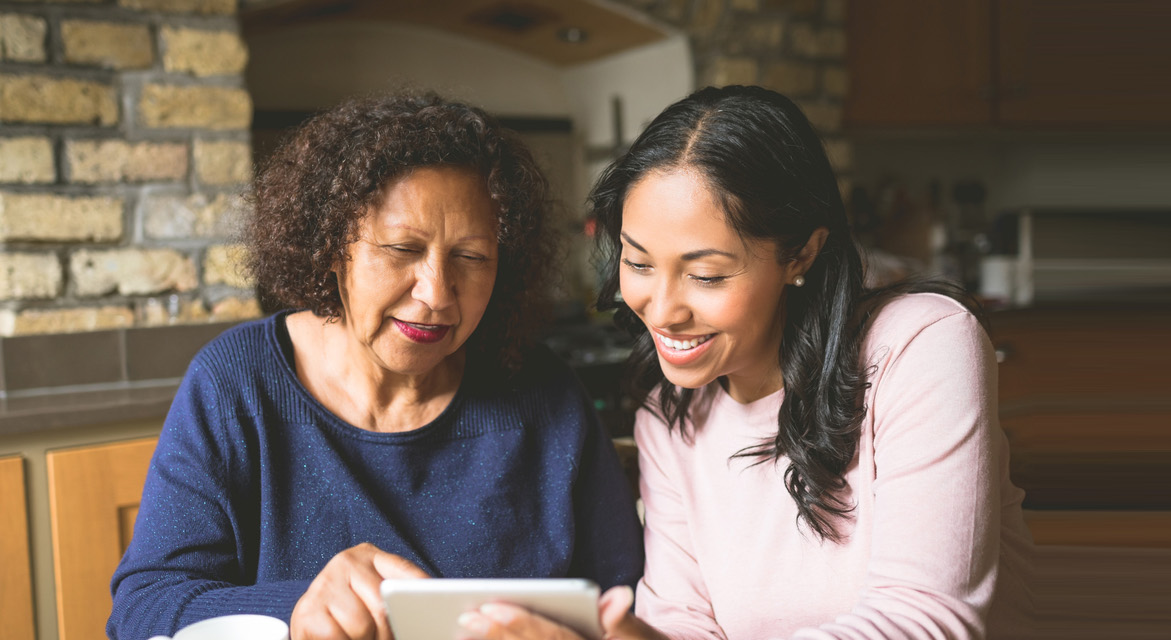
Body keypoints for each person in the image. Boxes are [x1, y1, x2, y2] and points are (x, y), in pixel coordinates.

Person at [462, 86, 1034, 640]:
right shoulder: (670, 414)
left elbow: (925, 619)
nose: (660, 311)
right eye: (637, 264)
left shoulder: (921, 344)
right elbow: (683, 620)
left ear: (801, 254)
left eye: (706, 275)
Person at [108, 93, 644, 640]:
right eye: (401, 249)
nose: (437, 293)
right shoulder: (237, 383)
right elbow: (143, 608)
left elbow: (630, 601)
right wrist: (298, 608)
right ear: (328, 245)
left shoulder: (544, 392)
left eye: (471, 257)